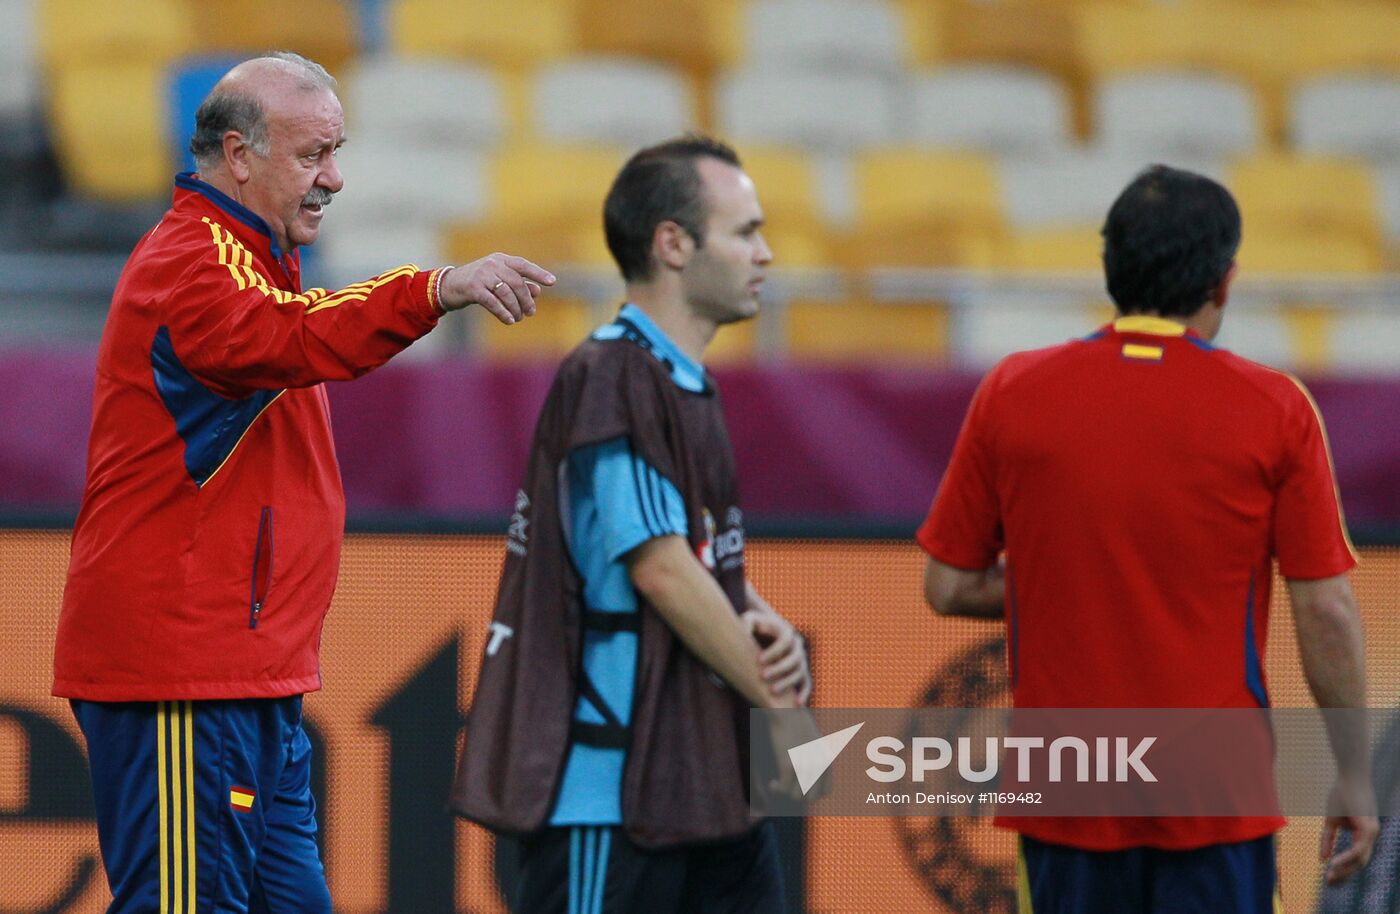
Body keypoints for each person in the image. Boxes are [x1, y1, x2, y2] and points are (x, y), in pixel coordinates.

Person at [52, 52, 554, 913]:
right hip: (184, 679)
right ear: (239, 154)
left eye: (337, 151)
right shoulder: (193, 264)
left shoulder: (250, 257)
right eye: (313, 154)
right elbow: (292, 337)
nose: (336, 178)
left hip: (250, 682)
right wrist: (434, 288)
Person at [916, 165, 1377, 913]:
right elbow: (1325, 610)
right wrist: (1353, 772)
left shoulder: (1012, 392)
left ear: (1110, 271)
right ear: (1224, 283)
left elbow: (948, 585)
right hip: (1214, 790)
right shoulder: (1274, 409)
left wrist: (1075, 582)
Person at [452, 135, 812, 914]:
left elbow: (682, 557)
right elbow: (658, 567)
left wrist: (755, 616)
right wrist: (777, 709)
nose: (767, 253)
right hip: (610, 799)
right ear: (674, 243)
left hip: (701, 785)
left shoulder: (678, 381)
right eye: (745, 231)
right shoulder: (615, 372)